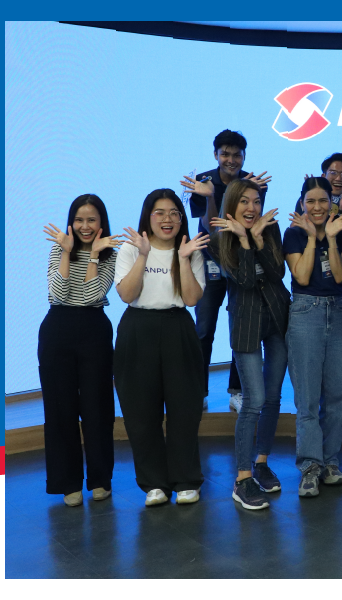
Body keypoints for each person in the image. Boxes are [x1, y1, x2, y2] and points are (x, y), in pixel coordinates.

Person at [114, 189, 208, 506]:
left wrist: (182, 259)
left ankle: (186, 480)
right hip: (137, 328)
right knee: (140, 412)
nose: (167, 219)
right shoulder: (131, 248)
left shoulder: (190, 250)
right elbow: (127, 295)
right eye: (160, 212)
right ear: (148, 216)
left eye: (174, 213)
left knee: (184, 409)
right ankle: (153, 483)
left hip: (177, 327)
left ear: (181, 218)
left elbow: (192, 299)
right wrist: (143, 256)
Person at [208, 179, 290, 510]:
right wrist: (244, 240)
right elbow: (242, 279)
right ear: (232, 203)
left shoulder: (270, 228)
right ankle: (242, 478)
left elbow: (277, 272)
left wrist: (257, 238)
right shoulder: (218, 236)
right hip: (245, 324)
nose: (252, 208)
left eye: (256, 201)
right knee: (253, 400)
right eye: (244, 201)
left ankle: (261, 462)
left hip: (277, 318)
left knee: (272, 397)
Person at [40, 195, 123, 507]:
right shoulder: (58, 248)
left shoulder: (111, 254)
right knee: (59, 409)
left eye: (91, 219)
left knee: (97, 407)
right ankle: (68, 483)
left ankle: (100, 480)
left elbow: (91, 296)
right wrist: (66, 251)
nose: (84, 226)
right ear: (71, 222)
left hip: (94, 330)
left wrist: (93, 256)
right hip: (57, 330)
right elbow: (58, 293)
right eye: (79, 219)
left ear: (101, 222)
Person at [181, 129, 272, 413]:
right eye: (225, 154)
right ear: (215, 155)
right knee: (204, 328)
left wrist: (253, 193)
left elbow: (250, 223)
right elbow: (210, 228)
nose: (231, 160)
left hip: (240, 260)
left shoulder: (252, 183)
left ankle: (237, 391)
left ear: (244, 156)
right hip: (209, 260)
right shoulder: (203, 182)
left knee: (241, 326)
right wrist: (209, 197)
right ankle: (198, 391)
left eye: (236, 155)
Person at [284, 177, 342, 497]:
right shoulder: (293, 234)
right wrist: (313, 238)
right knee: (308, 397)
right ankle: (310, 465)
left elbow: (339, 276)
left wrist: (332, 239)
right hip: (305, 311)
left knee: (338, 396)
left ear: (331, 203)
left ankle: (330, 461)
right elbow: (300, 275)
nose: (317, 207)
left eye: (323, 201)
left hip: (337, 311)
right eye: (310, 201)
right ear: (302, 203)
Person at [294, 153, 342, 228]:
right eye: (333, 173)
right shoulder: (307, 200)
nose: (338, 178)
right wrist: (312, 192)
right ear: (323, 177)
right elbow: (294, 227)